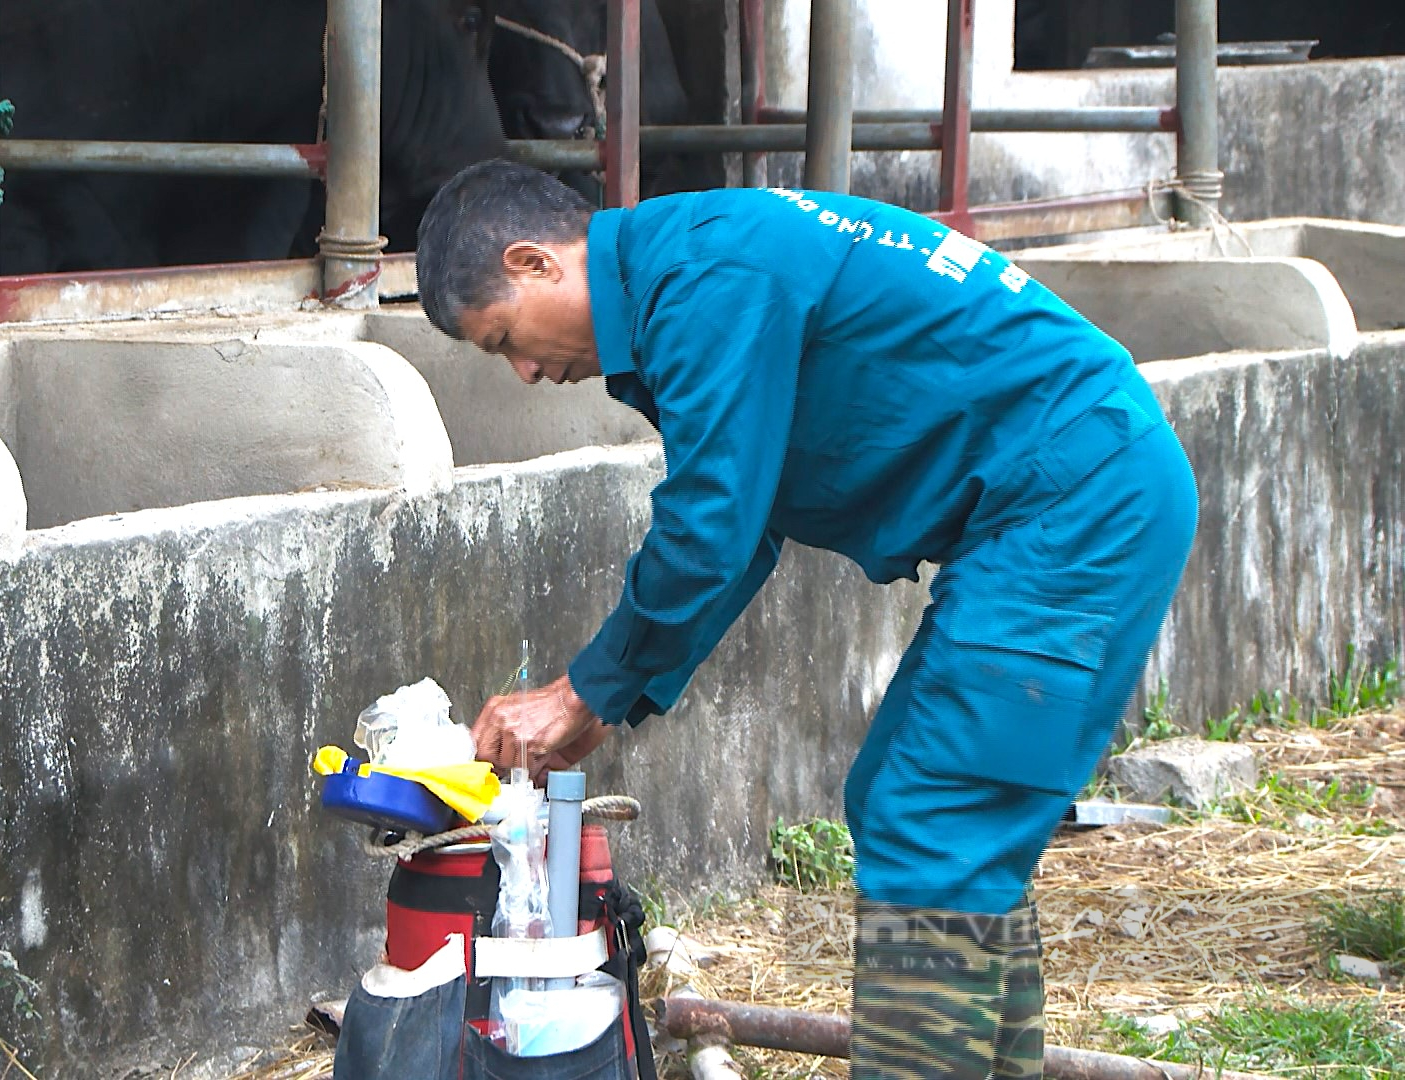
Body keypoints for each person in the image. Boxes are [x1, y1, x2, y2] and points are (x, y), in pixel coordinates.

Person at [414, 159, 1197, 1079]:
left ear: (537, 261)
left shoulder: (705, 280)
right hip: (1055, 496)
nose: (526, 373)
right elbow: (745, 526)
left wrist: (585, 687)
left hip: (1076, 499)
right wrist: (604, 696)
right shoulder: (689, 268)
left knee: (931, 819)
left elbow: (712, 523)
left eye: (505, 337)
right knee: (924, 817)